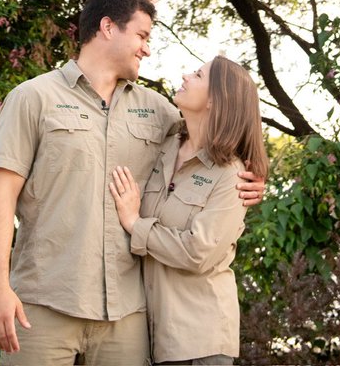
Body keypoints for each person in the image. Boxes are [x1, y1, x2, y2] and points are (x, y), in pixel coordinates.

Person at [0, 0, 265, 365]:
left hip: (127, 315)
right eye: (142, 35)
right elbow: (0, 199)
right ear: (108, 27)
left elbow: (218, 139)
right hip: (45, 302)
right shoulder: (33, 98)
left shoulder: (159, 110)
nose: (147, 48)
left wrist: (257, 178)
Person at [109, 56, 268, 366]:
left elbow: (199, 252)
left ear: (216, 100)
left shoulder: (231, 174)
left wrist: (134, 223)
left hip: (200, 343)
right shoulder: (164, 145)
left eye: (198, 75)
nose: (184, 74)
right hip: (152, 340)